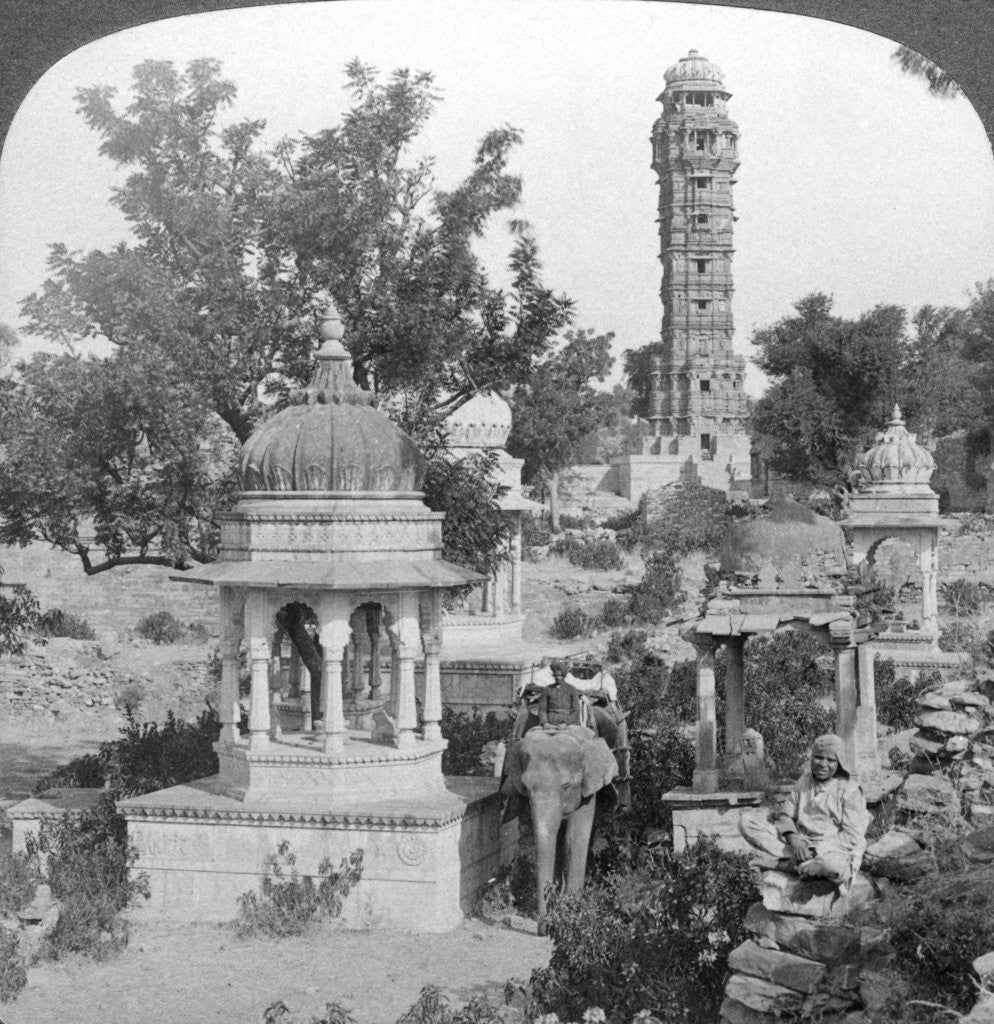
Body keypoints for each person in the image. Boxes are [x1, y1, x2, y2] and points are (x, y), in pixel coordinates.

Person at [739, 734, 871, 886]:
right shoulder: (804, 781)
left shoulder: (850, 790)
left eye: (831, 760)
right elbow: (784, 815)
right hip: (799, 844)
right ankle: (801, 864)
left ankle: (781, 865)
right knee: (747, 821)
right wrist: (795, 841)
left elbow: (851, 836)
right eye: (818, 757)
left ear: (839, 763)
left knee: (834, 868)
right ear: (811, 757)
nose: (823, 764)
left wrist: (814, 851)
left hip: (832, 849)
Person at [536, 660, 583, 729]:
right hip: (550, 722)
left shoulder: (572, 689)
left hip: (568, 722)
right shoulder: (547, 689)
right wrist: (545, 723)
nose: (558, 678)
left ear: (564, 676)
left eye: (560, 676)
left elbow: (576, 711)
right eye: (556, 675)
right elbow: (542, 709)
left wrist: (565, 723)